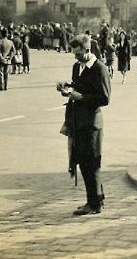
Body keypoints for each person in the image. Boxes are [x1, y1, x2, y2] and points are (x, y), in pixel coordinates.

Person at [57, 34, 111, 215]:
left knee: (92, 163)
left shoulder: (99, 68)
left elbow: (105, 98)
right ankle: (95, 200)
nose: (76, 58)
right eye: (74, 54)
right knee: (82, 162)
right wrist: (67, 87)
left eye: (78, 54)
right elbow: (77, 85)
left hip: (91, 123)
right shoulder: (77, 67)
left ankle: (95, 203)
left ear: (87, 50)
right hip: (78, 121)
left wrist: (82, 97)